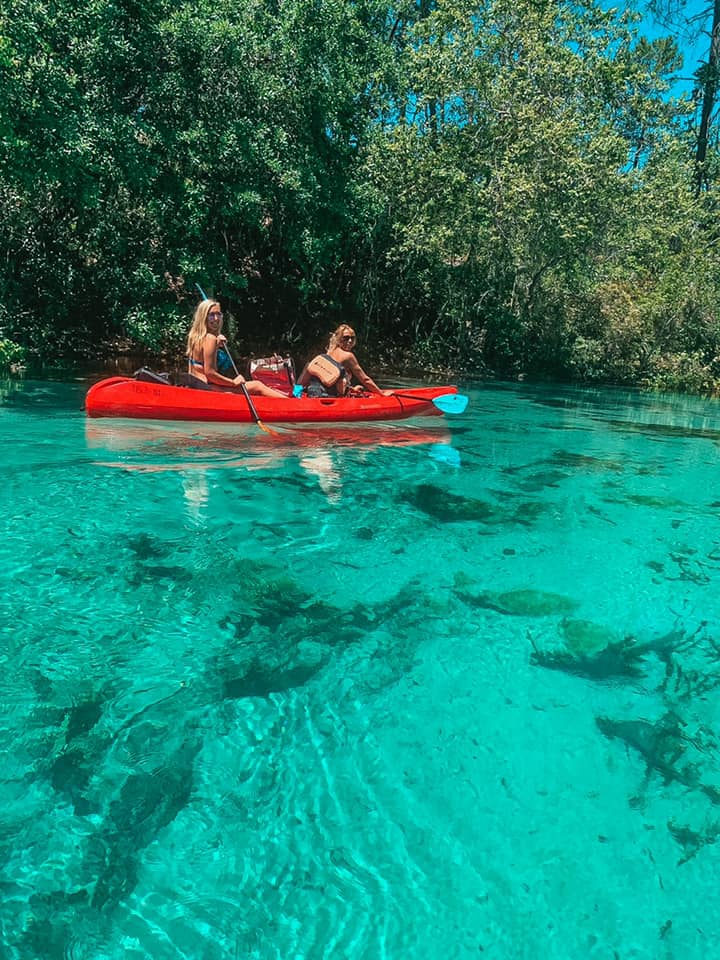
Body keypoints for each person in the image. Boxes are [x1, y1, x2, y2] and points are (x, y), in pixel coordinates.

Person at [186, 300, 287, 397]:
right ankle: (290, 404)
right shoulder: (210, 338)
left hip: (195, 385)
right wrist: (233, 383)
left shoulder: (194, 336)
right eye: (211, 315)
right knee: (257, 385)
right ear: (203, 317)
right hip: (208, 389)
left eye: (218, 314)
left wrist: (216, 345)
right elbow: (210, 374)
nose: (216, 318)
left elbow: (200, 364)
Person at [298, 324, 392, 398]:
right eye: (346, 338)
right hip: (330, 396)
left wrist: (351, 389)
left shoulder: (329, 352)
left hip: (313, 392)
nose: (350, 341)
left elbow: (331, 379)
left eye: (352, 338)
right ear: (339, 339)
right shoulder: (348, 356)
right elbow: (365, 379)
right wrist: (381, 393)